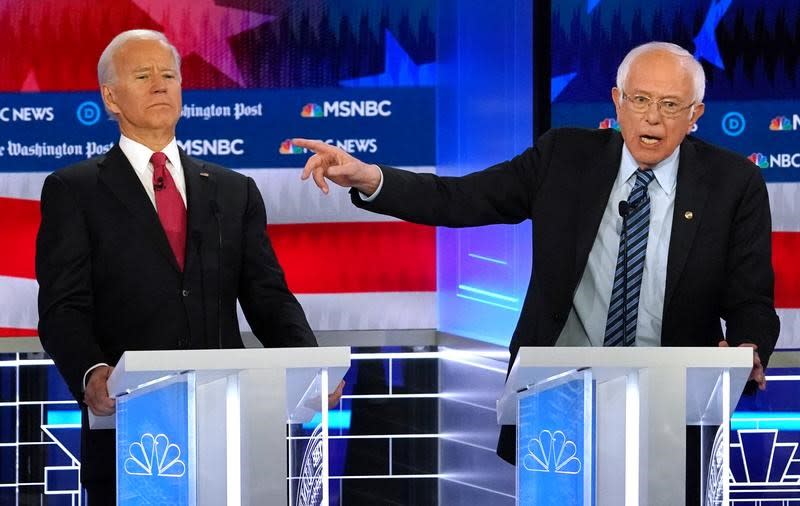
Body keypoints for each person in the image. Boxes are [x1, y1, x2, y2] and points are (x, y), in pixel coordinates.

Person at [294, 41, 779, 467]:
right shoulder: (565, 158)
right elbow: (459, 198)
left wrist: (748, 348)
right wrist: (369, 178)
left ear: (695, 114)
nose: (652, 117)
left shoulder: (733, 184)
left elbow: (751, 298)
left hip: (675, 405)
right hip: (558, 397)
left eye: (671, 104)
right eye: (640, 100)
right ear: (617, 101)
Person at [36, 29, 343, 503]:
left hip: (226, 424)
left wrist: (307, 365)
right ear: (111, 98)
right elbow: (63, 306)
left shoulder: (232, 189)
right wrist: (91, 373)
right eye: (143, 76)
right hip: (130, 430)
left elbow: (267, 296)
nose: (161, 85)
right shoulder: (74, 190)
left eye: (169, 75)